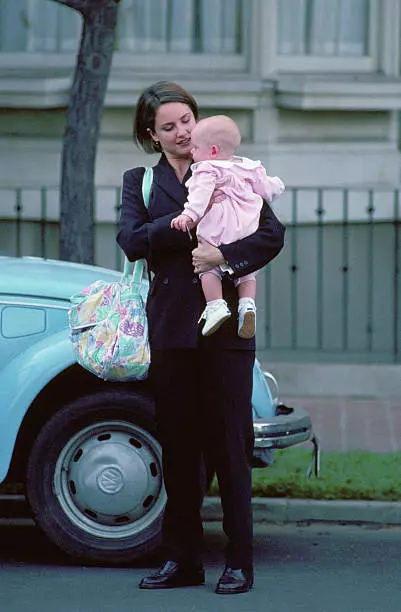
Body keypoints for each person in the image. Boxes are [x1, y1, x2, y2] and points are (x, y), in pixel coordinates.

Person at [117, 81, 285, 595]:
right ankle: (182, 560)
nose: (182, 132)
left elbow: (271, 235)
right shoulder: (139, 181)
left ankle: (239, 562)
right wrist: (183, 224)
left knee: (230, 447)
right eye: (168, 126)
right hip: (171, 330)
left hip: (228, 328)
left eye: (186, 120)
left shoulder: (231, 168)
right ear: (152, 134)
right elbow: (131, 238)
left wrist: (224, 258)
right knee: (179, 448)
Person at [170, 114, 284, 338]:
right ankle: (247, 305)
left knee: (207, 267)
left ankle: (216, 305)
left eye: (195, 147)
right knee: (248, 273)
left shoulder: (206, 169)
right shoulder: (246, 166)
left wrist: (188, 215)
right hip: (246, 227)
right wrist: (277, 186)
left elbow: (200, 199)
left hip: (219, 228)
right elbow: (266, 189)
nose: (192, 152)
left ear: (212, 150)